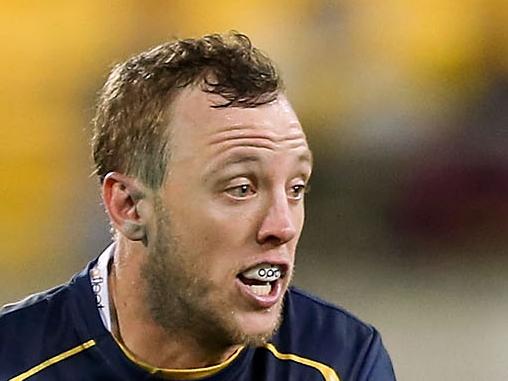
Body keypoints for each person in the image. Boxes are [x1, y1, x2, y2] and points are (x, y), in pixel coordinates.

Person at [0, 32, 396, 381]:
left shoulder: (342, 362)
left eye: (296, 188)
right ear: (129, 206)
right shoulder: (12, 360)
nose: (282, 226)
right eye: (241, 188)